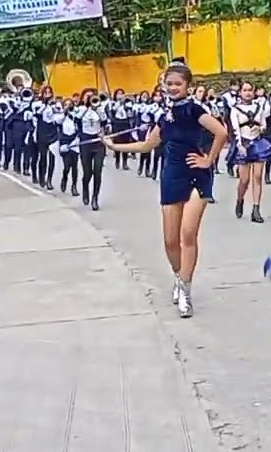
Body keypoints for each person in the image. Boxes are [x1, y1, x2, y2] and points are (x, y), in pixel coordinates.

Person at [104, 63, 229, 318]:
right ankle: (178, 276)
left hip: (197, 175)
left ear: (187, 86)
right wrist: (114, 147)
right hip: (172, 177)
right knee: (170, 241)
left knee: (188, 234)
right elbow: (146, 145)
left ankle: (185, 289)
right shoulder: (165, 116)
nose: (173, 88)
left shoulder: (195, 110)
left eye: (178, 84)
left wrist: (209, 160)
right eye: (169, 84)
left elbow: (221, 132)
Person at [229, 80, 271, 222]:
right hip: (243, 143)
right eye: (245, 90)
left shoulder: (259, 107)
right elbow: (235, 129)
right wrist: (240, 145)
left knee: (257, 176)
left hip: (257, 143)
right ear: (240, 92)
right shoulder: (235, 109)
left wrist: (261, 128)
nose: (248, 93)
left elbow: (264, 124)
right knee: (244, 180)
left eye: (250, 90)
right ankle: (240, 199)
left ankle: (256, 209)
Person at [75, 89, 109, 210]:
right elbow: (76, 123)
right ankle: (85, 188)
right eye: (87, 96)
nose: (90, 99)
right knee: (87, 172)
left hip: (98, 142)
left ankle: (95, 198)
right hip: (85, 142)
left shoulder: (100, 110)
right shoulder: (81, 110)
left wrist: (98, 109)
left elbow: (105, 122)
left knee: (98, 171)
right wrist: (84, 108)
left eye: (92, 96)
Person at [57, 98, 80, 195]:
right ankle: (64, 177)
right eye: (66, 104)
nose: (68, 106)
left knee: (75, 166)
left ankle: (74, 186)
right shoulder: (60, 115)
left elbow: (78, 126)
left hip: (74, 141)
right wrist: (65, 113)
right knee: (67, 165)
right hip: (64, 141)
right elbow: (58, 122)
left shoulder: (75, 115)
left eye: (70, 104)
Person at [255, 86, 271, 184]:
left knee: (268, 152)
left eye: (261, 89)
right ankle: (257, 173)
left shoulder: (267, 101)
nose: (260, 91)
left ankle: (267, 174)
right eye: (258, 89)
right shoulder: (253, 102)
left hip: (268, 129)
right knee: (256, 152)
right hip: (256, 128)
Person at [108, 89, 133, 170]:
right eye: (118, 94)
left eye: (122, 93)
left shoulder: (127, 103)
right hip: (117, 123)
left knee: (125, 143)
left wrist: (127, 106)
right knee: (117, 141)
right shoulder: (113, 103)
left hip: (125, 123)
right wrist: (119, 104)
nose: (120, 95)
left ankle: (125, 162)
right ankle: (117, 160)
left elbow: (130, 114)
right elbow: (112, 112)